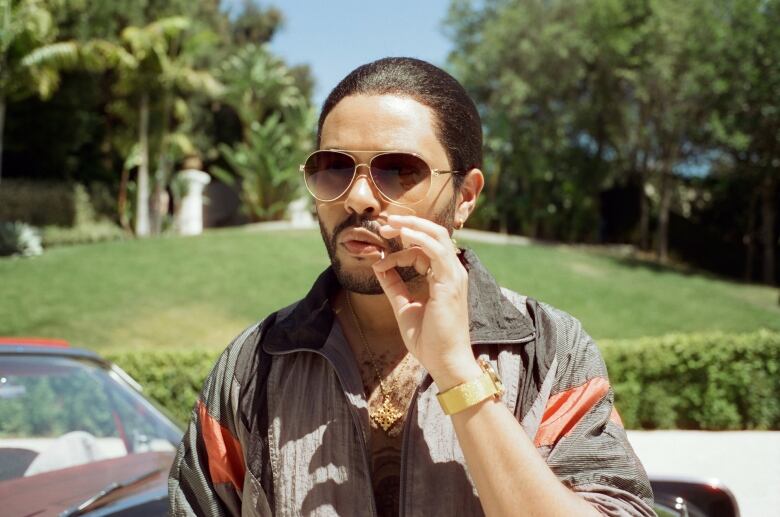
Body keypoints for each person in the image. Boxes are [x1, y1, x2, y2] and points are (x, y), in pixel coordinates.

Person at [168, 57, 655, 517]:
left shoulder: (552, 352)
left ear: (464, 197)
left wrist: (457, 372)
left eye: (398, 171)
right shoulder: (252, 367)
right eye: (334, 167)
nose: (357, 197)